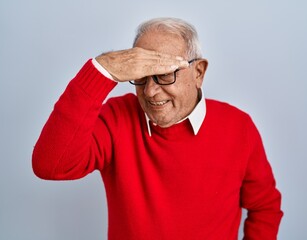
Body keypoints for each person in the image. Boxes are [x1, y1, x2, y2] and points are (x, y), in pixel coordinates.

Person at [32, 17, 283, 240]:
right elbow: (51, 165)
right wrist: (100, 70)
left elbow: (264, 207)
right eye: (141, 76)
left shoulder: (238, 127)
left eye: (164, 74)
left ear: (198, 72)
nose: (150, 92)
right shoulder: (117, 117)